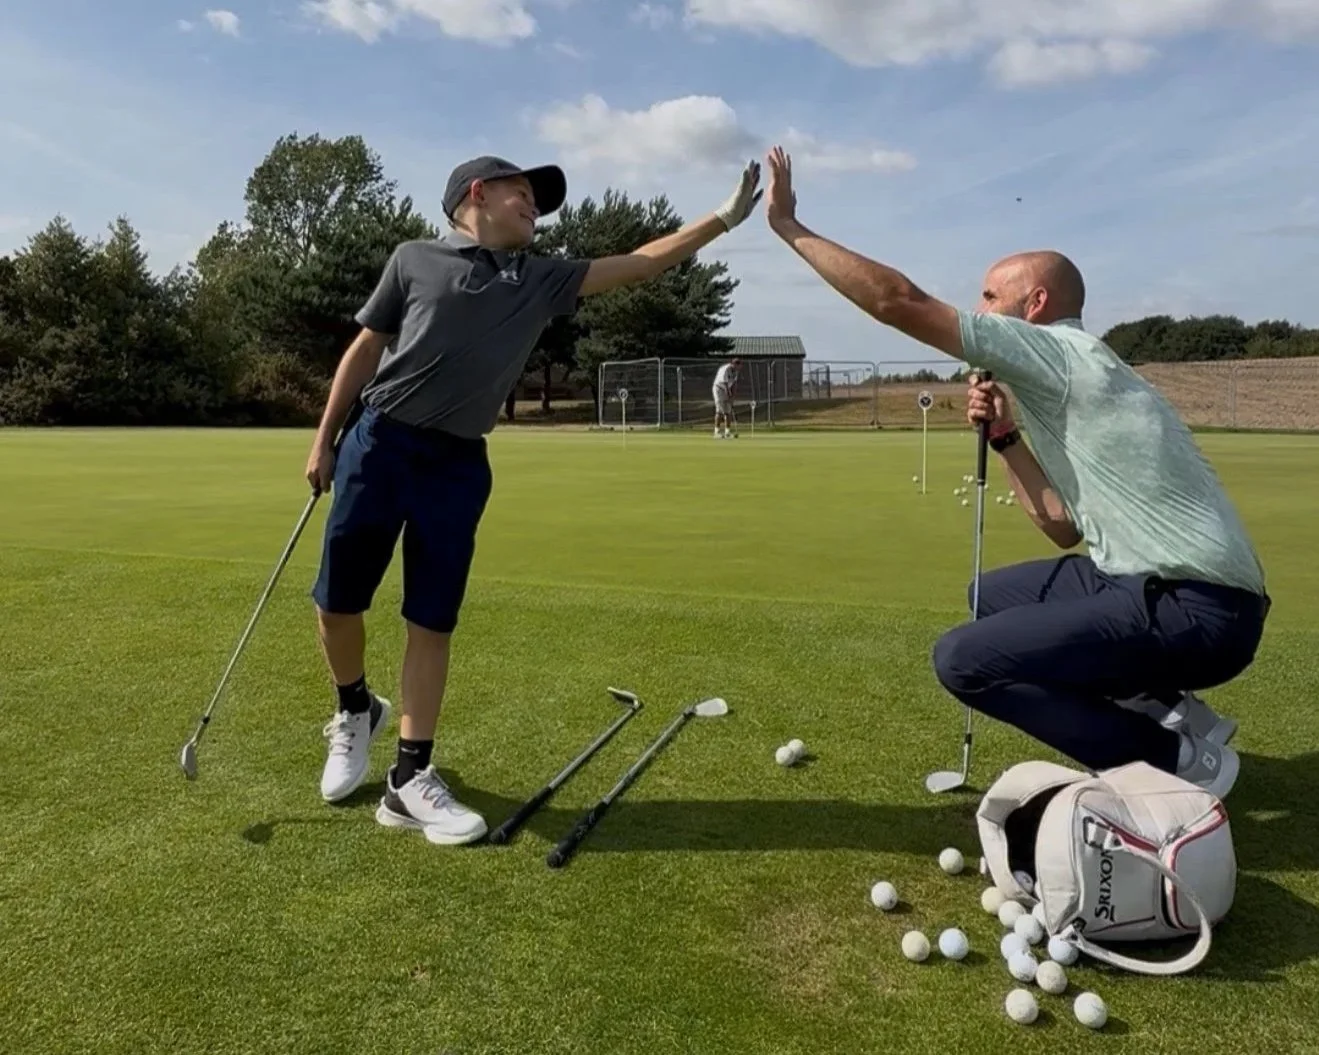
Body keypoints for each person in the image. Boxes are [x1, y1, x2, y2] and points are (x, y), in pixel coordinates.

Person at [761, 146, 1267, 798]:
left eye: (988, 296)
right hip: (1155, 585)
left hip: (1200, 610)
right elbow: (1060, 528)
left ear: (1034, 304)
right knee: (989, 596)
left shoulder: (1057, 349)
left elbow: (896, 300)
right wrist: (1004, 437)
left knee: (962, 658)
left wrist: (789, 227)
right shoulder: (1068, 373)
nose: (977, 309)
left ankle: (1176, 759)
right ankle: (1163, 703)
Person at [305, 154, 763, 844]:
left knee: (431, 618)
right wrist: (323, 439)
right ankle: (354, 709)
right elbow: (367, 348)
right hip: (379, 442)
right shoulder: (413, 259)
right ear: (477, 194)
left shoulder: (540, 278)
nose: (534, 207)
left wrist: (722, 219)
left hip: (457, 462)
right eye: (522, 193)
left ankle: (408, 777)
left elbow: (641, 263)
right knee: (338, 603)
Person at [712, 356, 740, 438]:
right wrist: (728, 394)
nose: (738, 367)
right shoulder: (725, 369)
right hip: (719, 389)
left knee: (728, 411)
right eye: (736, 365)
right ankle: (716, 432)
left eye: (739, 366)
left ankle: (727, 432)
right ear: (732, 364)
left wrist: (732, 397)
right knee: (719, 411)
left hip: (727, 389)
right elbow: (725, 383)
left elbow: (734, 384)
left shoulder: (736, 372)